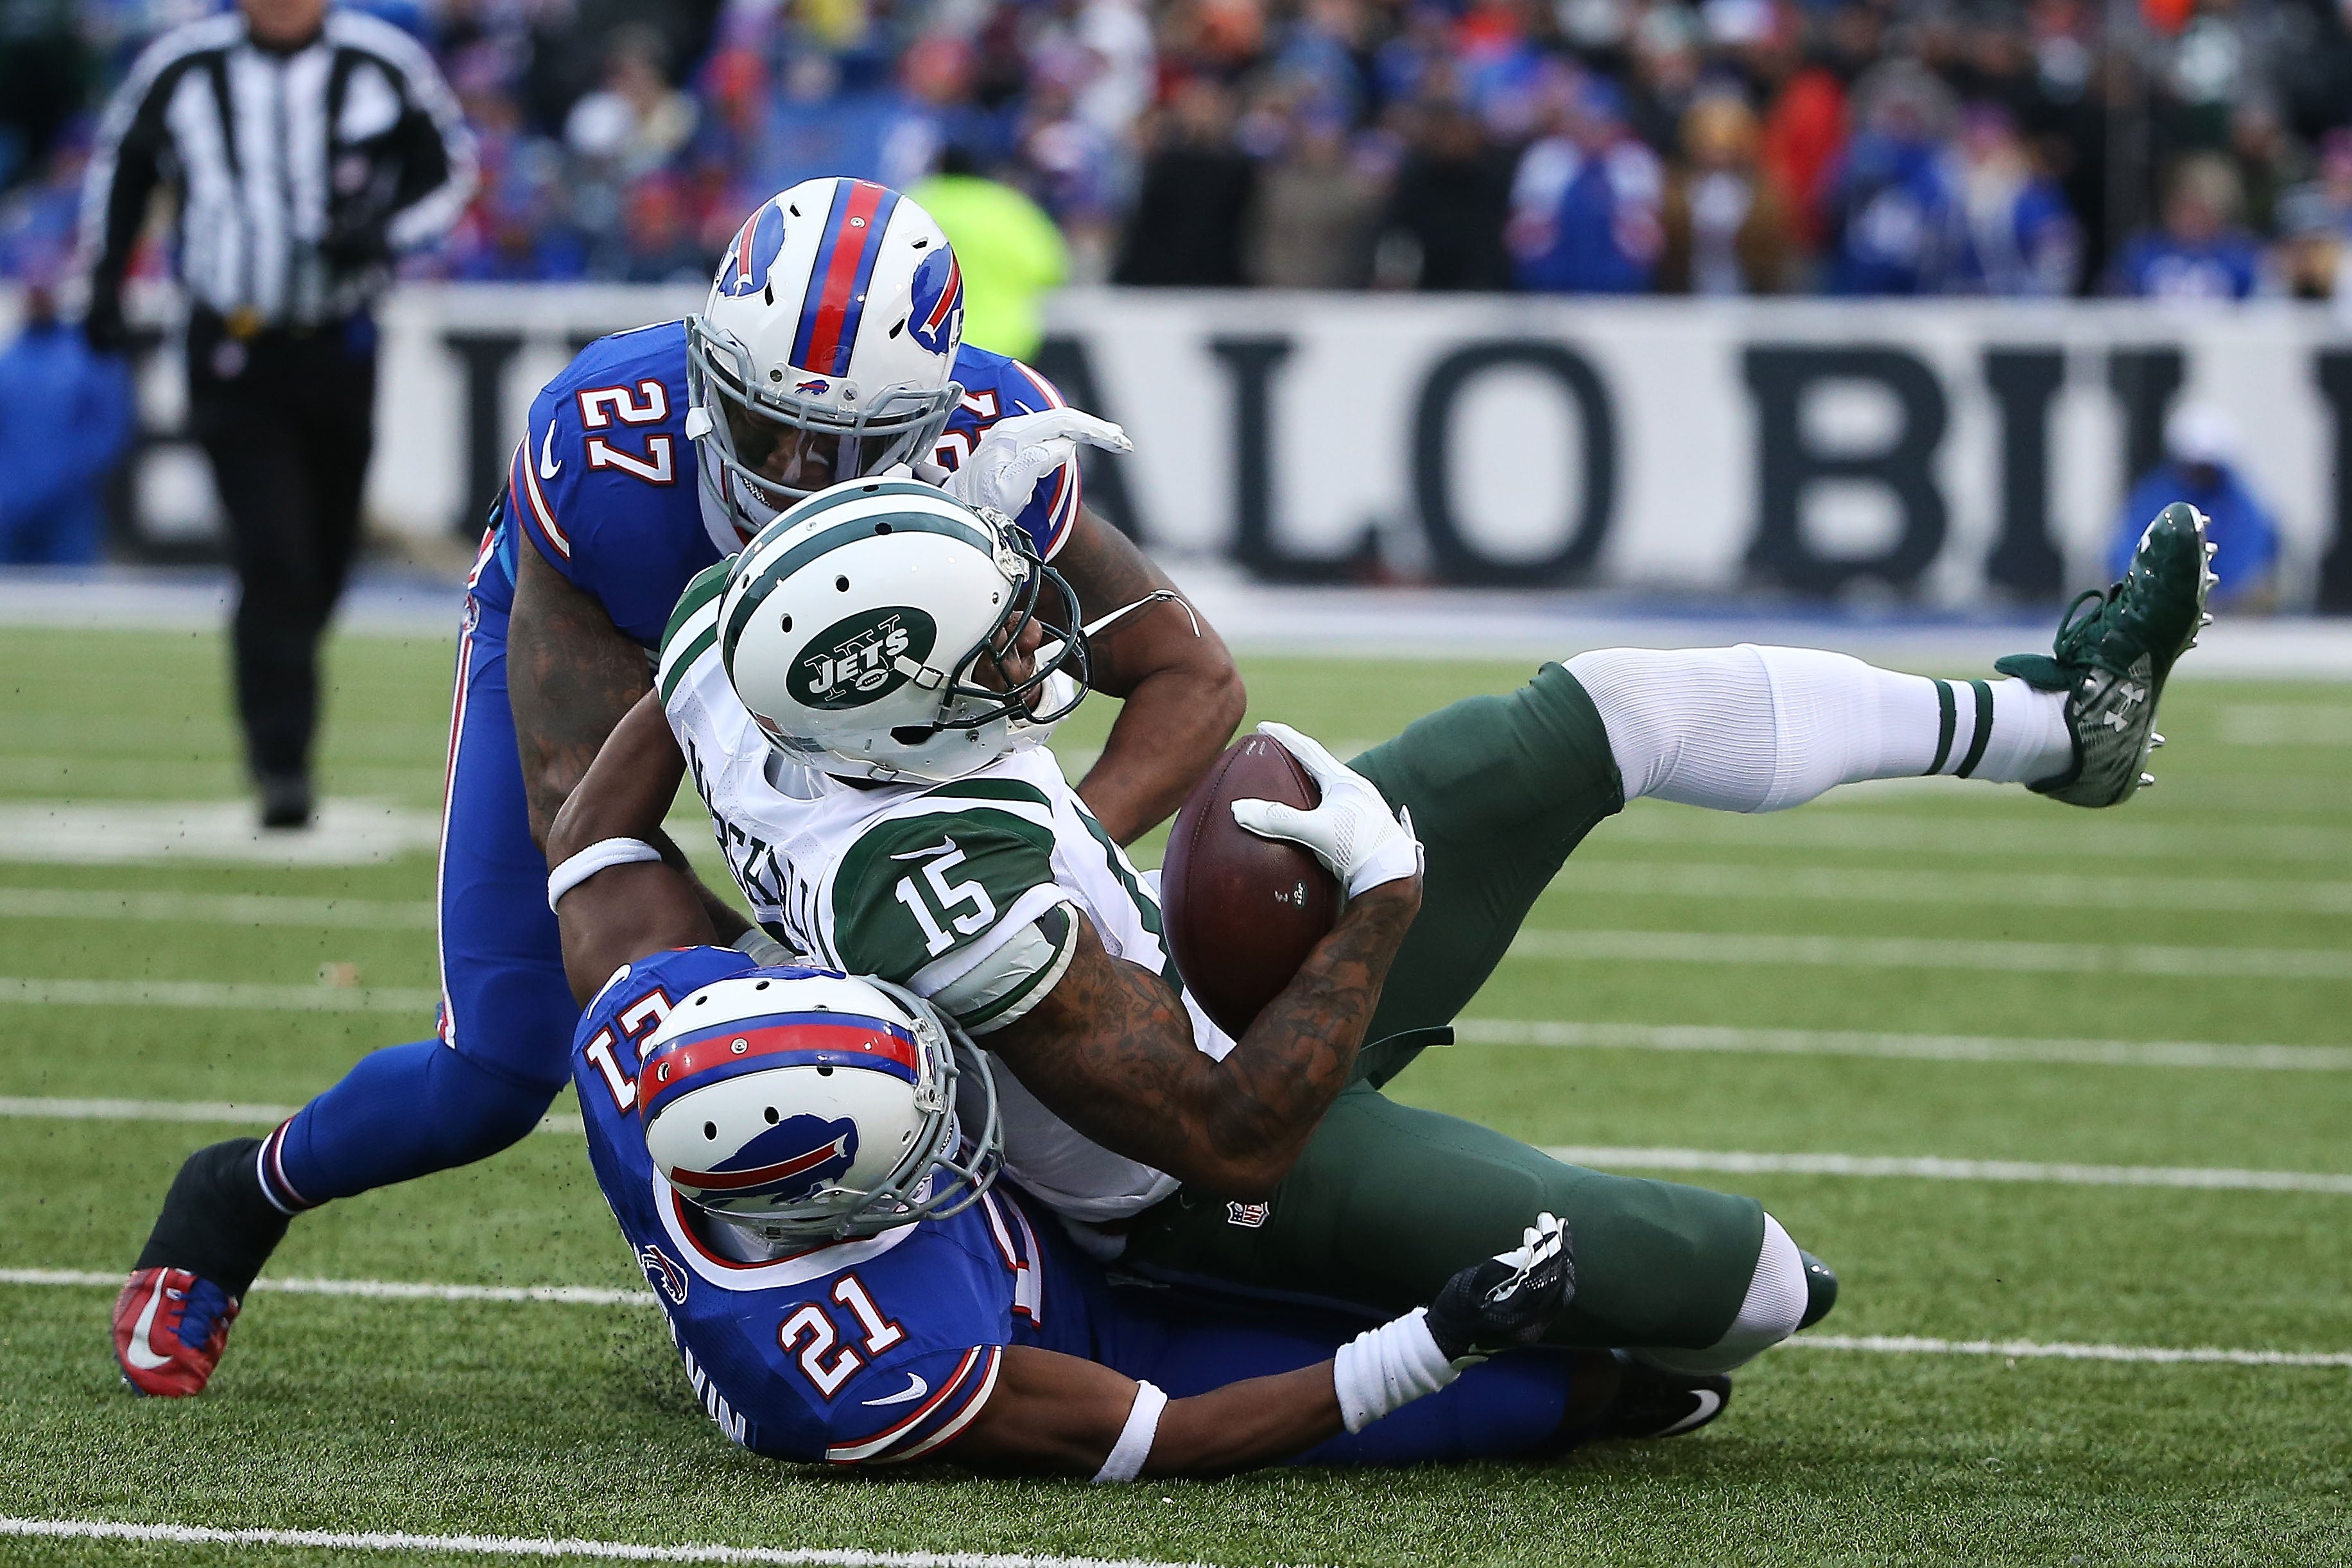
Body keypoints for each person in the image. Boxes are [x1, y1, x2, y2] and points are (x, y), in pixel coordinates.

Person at [533, 482, 2214, 1422]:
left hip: (1146, 966)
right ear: (901, 701)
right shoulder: (958, 905)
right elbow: (1228, 1129)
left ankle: (2062, 723)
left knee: (1598, 714)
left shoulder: (732, 638)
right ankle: (1589, 1368)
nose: (1040, 639)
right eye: (997, 643)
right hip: (1191, 1156)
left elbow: (599, 844)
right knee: (1745, 1282)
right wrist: (1380, 900)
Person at [110, 177, 1245, 1399]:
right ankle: (236, 1191)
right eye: (764, 433)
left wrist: (1029, 876)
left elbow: (1190, 672)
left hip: (865, 704)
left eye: (848, 450)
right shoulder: (605, 454)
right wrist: (800, 966)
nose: (802, 475)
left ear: (928, 429)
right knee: (496, 1069)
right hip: (634, 658)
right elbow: (579, 817)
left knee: (977, 1019)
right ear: (710, 385)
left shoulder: (994, 438)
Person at [75, 0, 478, 829]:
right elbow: (124, 167)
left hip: (339, 342)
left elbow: (451, 170)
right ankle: (280, 762)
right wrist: (109, 277)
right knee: (273, 552)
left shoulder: (380, 61)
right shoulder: (186, 69)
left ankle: (281, 703)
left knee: (324, 558)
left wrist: (382, 231)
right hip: (232, 345)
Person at [0, 284, 133, 564]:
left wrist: (68, 477)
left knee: (72, 596)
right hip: (9, 510)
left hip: (70, 509)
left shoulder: (90, 360)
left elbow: (110, 429)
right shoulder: (7, 363)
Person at [2110, 404, 2278, 610]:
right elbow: (2125, 551)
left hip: (2231, 612)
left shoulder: (2241, 506)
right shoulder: (2155, 496)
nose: (2199, 475)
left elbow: (2253, 554)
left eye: (2207, 468)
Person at [910, 147, 1069, 362]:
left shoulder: (916, 202)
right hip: (1004, 344)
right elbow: (1051, 270)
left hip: (926, 342)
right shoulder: (1010, 209)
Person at [2108, 155, 2270, 301]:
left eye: (2200, 209)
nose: (2191, 217)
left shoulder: (2242, 256)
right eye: (2183, 206)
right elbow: (2111, 301)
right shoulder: (2141, 251)